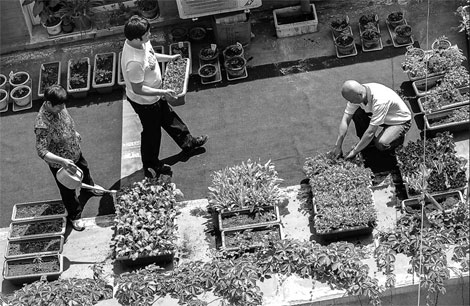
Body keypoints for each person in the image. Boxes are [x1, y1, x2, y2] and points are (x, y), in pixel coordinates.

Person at [121, 15, 208, 178]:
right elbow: (138, 89)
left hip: (157, 94)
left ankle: (188, 143)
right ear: (136, 38)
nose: (150, 35)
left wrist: (170, 58)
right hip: (145, 102)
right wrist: (163, 92)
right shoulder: (133, 62)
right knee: (151, 133)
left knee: (169, 118)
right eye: (147, 33)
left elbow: (152, 57)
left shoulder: (142, 42)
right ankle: (151, 163)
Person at [34, 84, 103, 231]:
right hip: (61, 164)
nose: (62, 108)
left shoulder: (59, 105)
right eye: (59, 106)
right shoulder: (42, 124)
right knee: (68, 191)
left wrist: (74, 133)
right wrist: (63, 161)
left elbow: (66, 122)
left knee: (84, 169)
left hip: (74, 151)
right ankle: (75, 215)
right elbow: (41, 151)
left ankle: (89, 188)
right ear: (48, 104)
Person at [332, 80, 412, 197]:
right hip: (383, 117)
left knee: (381, 144)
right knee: (356, 114)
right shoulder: (358, 94)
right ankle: (368, 144)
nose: (351, 103)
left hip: (399, 121)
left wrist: (354, 152)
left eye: (352, 100)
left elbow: (370, 132)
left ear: (360, 95)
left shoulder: (380, 99)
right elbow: (345, 120)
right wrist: (338, 145)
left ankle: (397, 139)